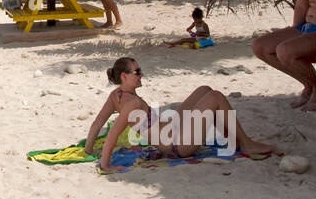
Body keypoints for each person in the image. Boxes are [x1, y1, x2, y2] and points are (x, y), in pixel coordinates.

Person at [82, 57, 273, 170]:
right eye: (137, 72)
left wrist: (88, 150)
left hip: (172, 129)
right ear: (124, 76)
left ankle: (232, 139)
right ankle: (245, 143)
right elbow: (114, 133)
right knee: (215, 97)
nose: (142, 75)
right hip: (177, 145)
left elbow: (97, 123)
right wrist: (105, 164)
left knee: (204, 89)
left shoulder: (116, 95)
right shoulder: (131, 103)